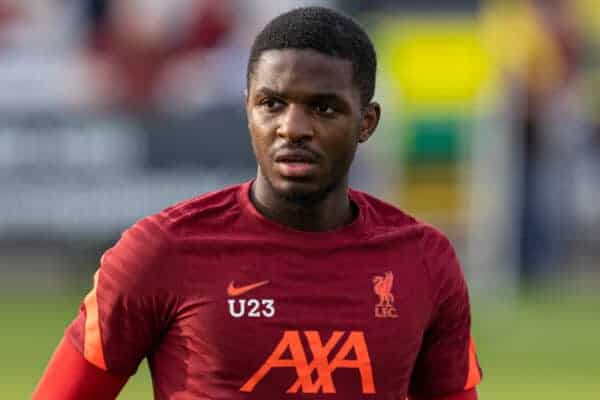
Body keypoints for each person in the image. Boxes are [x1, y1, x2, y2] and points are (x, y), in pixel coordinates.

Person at [33, 7, 482, 400]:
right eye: (272, 104)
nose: (293, 128)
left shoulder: (423, 259)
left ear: (366, 122)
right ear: (248, 109)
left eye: (323, 109)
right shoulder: (161, 251)